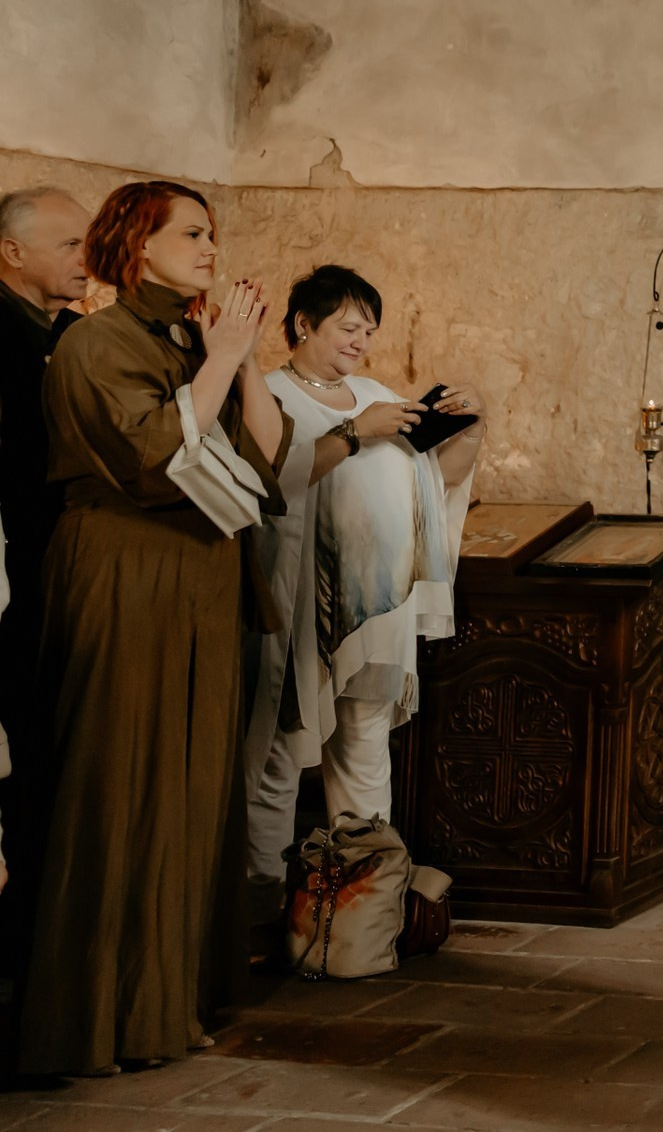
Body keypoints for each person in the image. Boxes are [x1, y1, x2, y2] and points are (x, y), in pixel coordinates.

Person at [24, 183, 287, 1076]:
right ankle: (100, 1019)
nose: (212, 246)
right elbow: (149, 455)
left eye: (214, 232)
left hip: (200, 575)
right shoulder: (92, 341)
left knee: (191, 789)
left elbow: (266, 453)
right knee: (122, 783)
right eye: (193, 232)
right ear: (136, 243)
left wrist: (243, 358)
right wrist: (217, 361)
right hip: (126, 569)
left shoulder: (191, 339)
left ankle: (168, 1004)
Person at [244, 266, 482, 909]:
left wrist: (468, 428)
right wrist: (358, 431)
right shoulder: (268, 396)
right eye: (348, 327)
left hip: (373, 613)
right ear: (301, 324)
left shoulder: (376, 392)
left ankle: (362, 909)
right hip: (295, 603)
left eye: (369, 331)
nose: (360, 342)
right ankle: (261, 908)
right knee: (278, 755)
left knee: (365, 747)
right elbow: (273, 482)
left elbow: (435, 482)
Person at [0, 185, 86, 1061]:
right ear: (12, 253)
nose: (82, 257)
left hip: (55, 573)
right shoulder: (5, 337)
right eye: (65, 243)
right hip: (17, 575)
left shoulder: (62, 333)